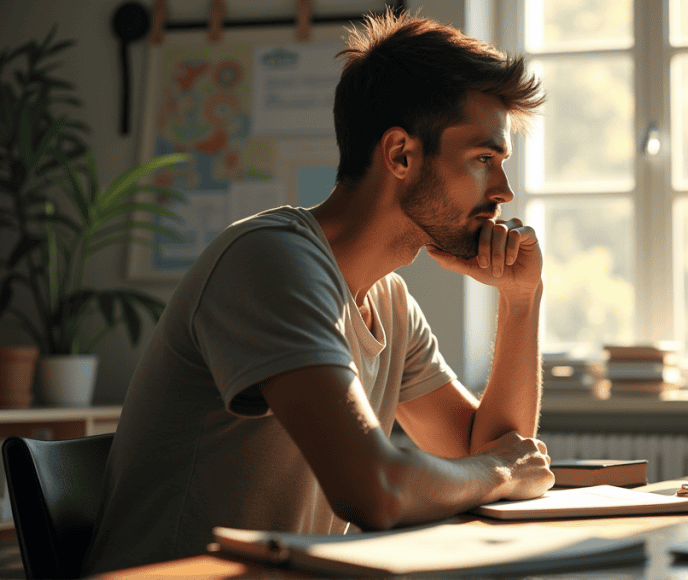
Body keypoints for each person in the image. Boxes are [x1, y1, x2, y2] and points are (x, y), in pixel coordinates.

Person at [84, 11, 554, 574]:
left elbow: (498, 450)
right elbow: (373, 491)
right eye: (484, 159)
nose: (502, 190)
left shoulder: (389, 303)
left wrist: (521, 300)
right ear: (401, 154)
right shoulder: (270, 261)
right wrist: (498, 471)